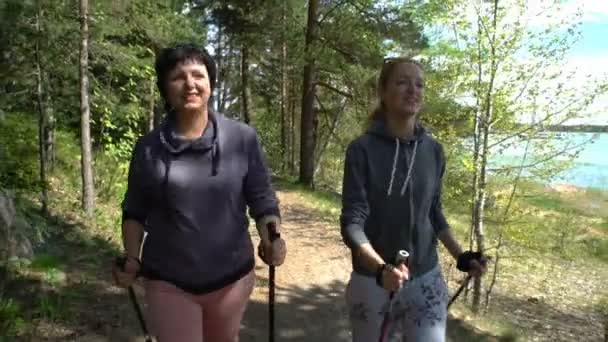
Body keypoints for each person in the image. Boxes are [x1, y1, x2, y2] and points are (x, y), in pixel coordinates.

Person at [111, 43, 286, 342]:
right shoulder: (148, 148)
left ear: (211, 83)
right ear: (165, 88)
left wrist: (273, 239)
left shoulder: (242, 138)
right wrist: (132, 258)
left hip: (231, 277)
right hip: (168, 278)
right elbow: (135, 211)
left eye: (198, 75)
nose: (190, 83)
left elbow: (262, 200)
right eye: (178, 77)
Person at [339, 57, 487, 342]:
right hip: (373, 282)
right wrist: (380, 268)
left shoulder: (433, 151)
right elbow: (352, 223)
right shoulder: (361, 150)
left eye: (419, 84)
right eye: (402, 82)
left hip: (426, 280)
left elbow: (433, 211)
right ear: (383, 91)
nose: (413, 90)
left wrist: (461, 256)